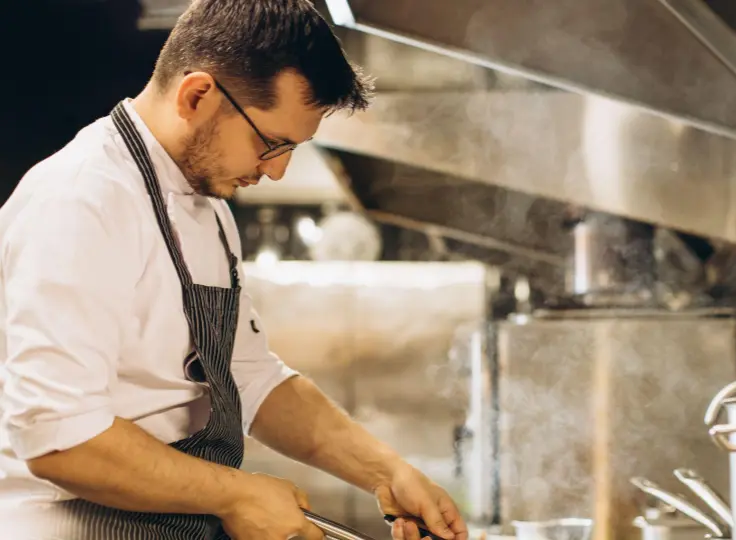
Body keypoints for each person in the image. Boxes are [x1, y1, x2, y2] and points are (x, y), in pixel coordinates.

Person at [0, 1, 470, 539]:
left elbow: (250, 377)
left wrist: (388, 472)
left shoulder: (208, 206)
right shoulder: (81, 199)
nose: (277, 171)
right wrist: (237, 494)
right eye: (271, 144)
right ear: (197, 95)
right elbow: (61, 437)